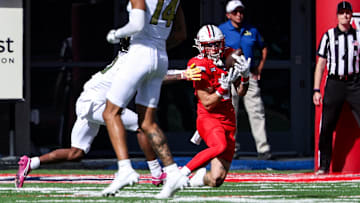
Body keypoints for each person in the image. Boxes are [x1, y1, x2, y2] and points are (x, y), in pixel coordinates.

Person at [14, 48, 201, 188]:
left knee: (76, 153)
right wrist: (183, 74)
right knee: (141, 125)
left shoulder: (129, 56)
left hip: (88, 102)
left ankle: (31, 162)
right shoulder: (132, 60)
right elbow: (155, 78)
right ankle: (156, 173)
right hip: (95, 103)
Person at [101, 0, 189, 198]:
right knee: (147, 123)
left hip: (140, 53)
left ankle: (125, 169)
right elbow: (181, 34)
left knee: (110, 112)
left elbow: (137, 24)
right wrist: (158, 45)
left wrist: (116, 34)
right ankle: (173, 172)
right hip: (160, 56)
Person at [180, 25, 250, 188]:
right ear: (200, 46)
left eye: (217, 44)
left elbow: (241, 92)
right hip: (209, 117)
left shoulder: (229, 56)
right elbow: (207, 103)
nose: (214, 48)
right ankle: (181, 173)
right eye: (209, 45)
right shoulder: (198, 64)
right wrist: (222, 89)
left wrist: (245, 78)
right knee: (219, 146)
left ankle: (195, 180)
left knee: (216, 179)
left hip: (229, 119)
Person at [218, 0, 272, 160]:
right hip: (229, 74)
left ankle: (263, 149)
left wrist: (259, 68)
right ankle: (231, 148)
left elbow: (263, 47)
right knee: (230, 112)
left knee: (256, 110)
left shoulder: (251, 30)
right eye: (235, 12)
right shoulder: (221, 30)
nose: (239, 15)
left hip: (247, 74)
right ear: (228, 15)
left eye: (241, 12)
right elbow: (214, 51)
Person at [313, 1, 360, 174]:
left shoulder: (358, 35)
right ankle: (324, 166)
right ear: (337, 15)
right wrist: (316, 89)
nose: (345, 16)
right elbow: (320, 64)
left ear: (351, 15)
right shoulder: (328, 36)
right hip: (334, 83)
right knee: (326, 126)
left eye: (348, 13)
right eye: (342, 13)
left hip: (354, 82)